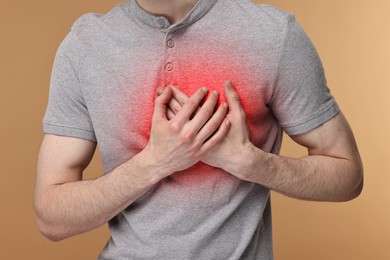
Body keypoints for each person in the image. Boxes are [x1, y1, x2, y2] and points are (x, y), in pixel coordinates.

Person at [34, 0, 364, 259]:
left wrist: (252, 163)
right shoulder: (84, 46)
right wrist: (156, 161)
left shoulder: (274, 35)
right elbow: (51, 217)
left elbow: (347, 176)